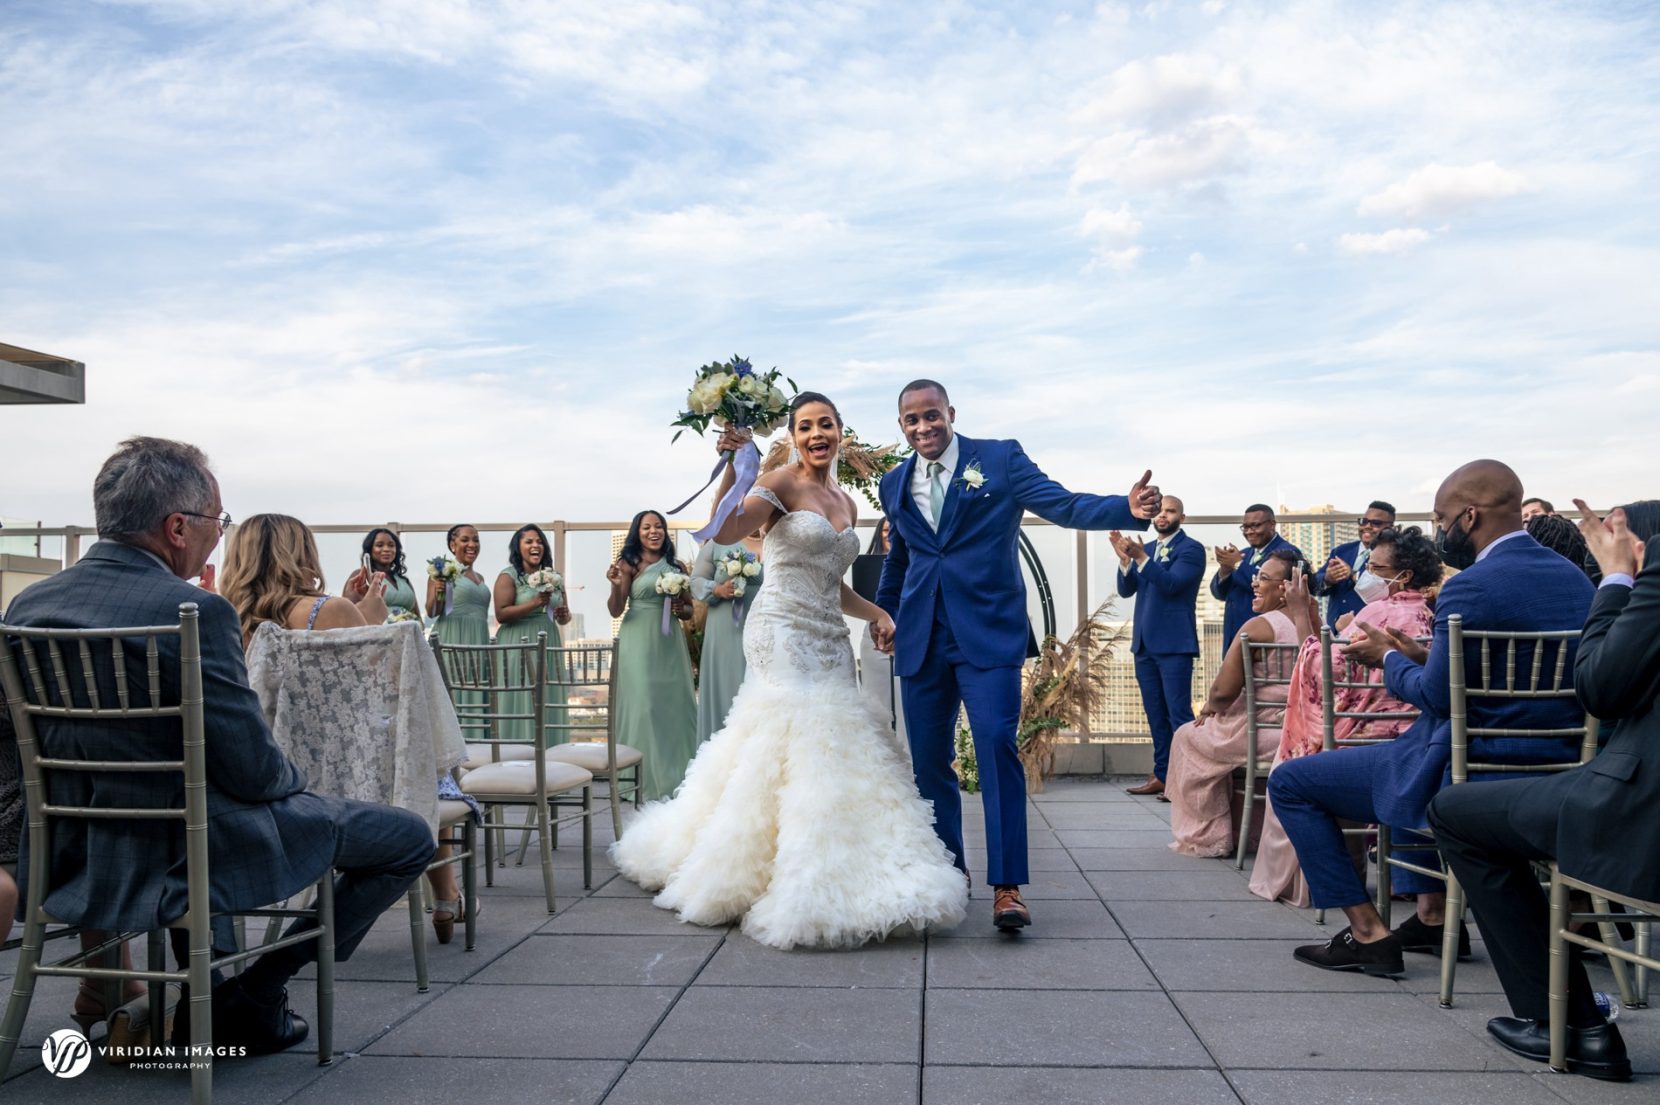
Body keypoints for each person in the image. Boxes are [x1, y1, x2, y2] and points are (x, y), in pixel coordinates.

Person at [2, 437, 434, 1053]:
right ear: (177, 527)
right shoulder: (193, 610)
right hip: (187, 848)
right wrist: (298, 787)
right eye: (216, 522)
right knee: (408, 837)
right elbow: (255, 771)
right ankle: (254, 993)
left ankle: (206, 990)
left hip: (76, 847)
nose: (218, 535)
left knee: (205, 810)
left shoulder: (28, 605)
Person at [612, 392, 967, 948]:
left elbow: (833, 583)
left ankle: (840, 857)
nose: (817, 434)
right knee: (799, 734)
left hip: (828, 635)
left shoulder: (846, 501)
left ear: (840, 432)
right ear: (795, 436)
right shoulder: (777, 484)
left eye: (826, 424)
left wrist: (876, 613)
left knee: (833, 745)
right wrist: (736, 468)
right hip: (779, 630)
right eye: (805, 426)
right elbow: (726, 533)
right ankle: (763, 871)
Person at [1270, 460, 1594, 979]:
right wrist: (1420, 656)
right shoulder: (1578, 583)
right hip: (1563, 769)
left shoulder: (1470, 587)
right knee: (1400, 755)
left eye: (1442, 519)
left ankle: (1369, 934)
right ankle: (1430, 914)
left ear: (1468, 517)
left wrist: (1389, 660)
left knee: (1292, 782)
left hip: (1466, 769)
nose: (1440, 531)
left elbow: (1437, 700)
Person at [876, 379, 1158, 930]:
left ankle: (1007, 886)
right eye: (911, 420)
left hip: (987, 635)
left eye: (931, 415)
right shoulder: (894, 482)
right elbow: (901, 558)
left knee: (997, 751)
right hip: (921, 639)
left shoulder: (999, 458)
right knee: (929, 764)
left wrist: (1123, 507)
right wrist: (885, 613)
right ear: (902, 426)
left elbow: (1062, 503)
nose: (923, 427)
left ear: (950, 413)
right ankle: (947, 876)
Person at [1425, 500, 1653, 1082]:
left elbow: (1599, 686)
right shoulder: (1567, 575)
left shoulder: (1642, 583)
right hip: (1578, 763)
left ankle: (1567, 1024)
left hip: (1635, 807)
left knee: (1452, 812)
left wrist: (1620, 579)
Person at [218, 513, 474, 944]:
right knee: (432, 767)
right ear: (300, 554)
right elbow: (388, 693)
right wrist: (365, 617)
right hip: (338, 785)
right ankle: (447, 893)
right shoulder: (329, 611)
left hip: (247, 786)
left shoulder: (218, 617)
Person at [1249, 526, 1439, 906]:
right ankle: (1427, 904)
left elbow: (1323, 673)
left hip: (1369, 739)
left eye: (1376, 567)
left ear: (1405, 576)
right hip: (1422, 738)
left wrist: (1304, 613)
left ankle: (1350, 906)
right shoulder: (1428, 613)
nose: (1365, 572)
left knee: (1290, 779)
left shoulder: (1380, 611)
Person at [1165, 551, 1305, 856]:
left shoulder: (1258, 627)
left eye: (1264, 578)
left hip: (1261, 732)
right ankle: (1252, 831)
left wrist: (1209, 708)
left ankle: (1208, 835)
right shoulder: (1316, 623)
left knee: (1186, 736)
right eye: (1256, 576)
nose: (1255, 583)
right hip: (1302, 731)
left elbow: (1222, 693)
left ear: (1286, 587)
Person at [1111, 494, 1204, 798]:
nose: (1163, 516)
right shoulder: (1147, 550)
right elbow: (1127, 591)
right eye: (1160, 511)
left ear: (1182, 517)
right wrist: (1126, 562)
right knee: (1155, 715)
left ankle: (1186, 780)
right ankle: (1162, 775)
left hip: (1175, 644)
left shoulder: (1191, 550)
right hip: (1145, 645)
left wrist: (1139, 558)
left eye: (1171, 511)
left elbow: (1172, 584)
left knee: (1178, 714)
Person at [606, 510, 698, 801]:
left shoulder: (677, 566)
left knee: (671, 707)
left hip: (669, 643)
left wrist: (678, 609)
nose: (653, 531)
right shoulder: (628, 564)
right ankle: (639, 778)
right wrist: (615, 583)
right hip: (638, 642)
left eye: (658, 526)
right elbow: (615, 610)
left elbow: (689, 610)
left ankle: (676, 776)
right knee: (643, 706)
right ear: (637, 532)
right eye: (647, 527)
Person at [492, 524, 572, 744]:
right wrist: (535, 603)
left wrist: (564, 614)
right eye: (529, 541)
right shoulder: (508, 577)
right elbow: (501, 613)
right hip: (518, 642)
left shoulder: (554, 577)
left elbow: (564, 617)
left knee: (548, 695)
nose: (535, 545)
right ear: (518, 548)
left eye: (539, 542)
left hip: (549, 640)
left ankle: (550, 752)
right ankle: (517, 751)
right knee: (521, 696)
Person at [689, 525, 764, 743]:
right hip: (725, 631)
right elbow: (696, 581)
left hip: (766, 629)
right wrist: (716, 589)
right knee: (728, 690)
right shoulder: (719, 543)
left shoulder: (779, 543)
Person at [1210, 504, 1303, 653]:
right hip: (1233, 634)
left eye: (1255, 526)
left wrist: (1238, 564)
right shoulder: (1243, 554)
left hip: (1265, 636)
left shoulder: (1288, 552)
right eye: (1245, 527)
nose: (1249, 532)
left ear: (1272, 525)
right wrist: (1225, 570)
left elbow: (1271, 585)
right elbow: (1218, 593)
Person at [1315, 501, 1397, 631]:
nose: (1367, 526)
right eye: (1364, 521)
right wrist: (1327, 579)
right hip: (1334, 634)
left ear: (1390, 527)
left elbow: (1387, 589)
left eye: (1376, 523)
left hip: (1369, 633)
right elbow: (1314, 584)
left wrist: (1353, 575)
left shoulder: (1394, 556)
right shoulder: (1341, 551)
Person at [345, 527, 422, 622]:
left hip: (410, 633)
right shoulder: (361, 575)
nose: (386, 549)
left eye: (391, 545)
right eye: (379, 545)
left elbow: (417, 613)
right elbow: (348, 610)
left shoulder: (404, 581)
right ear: (370, 549)